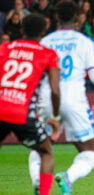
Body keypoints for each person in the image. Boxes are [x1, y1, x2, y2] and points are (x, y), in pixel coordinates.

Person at [28, 1, 94, 195]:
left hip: (47, 99)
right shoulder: (85, 41)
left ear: (55, 18)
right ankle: (68, 177)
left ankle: (39, 182)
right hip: (73, 100)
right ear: (77, 19)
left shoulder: (45, 41)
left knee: (40, 147)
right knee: (91, 152)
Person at [0, 14, 61, 195]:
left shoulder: (4, 48)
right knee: (46, 152)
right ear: (43, 32)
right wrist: (55, 117)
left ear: (21, 30)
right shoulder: (48, 54)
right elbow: (55, 90)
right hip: (22, 113)